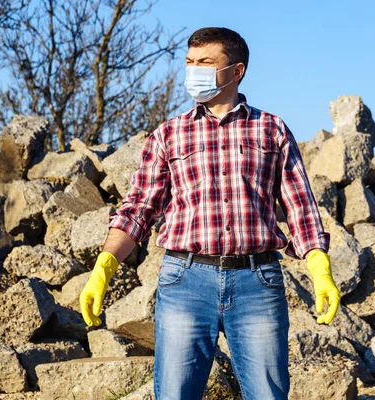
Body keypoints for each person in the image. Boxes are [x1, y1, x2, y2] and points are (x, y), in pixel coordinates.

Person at [79, 27, 341, 400]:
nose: (194, 71)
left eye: (205, 63)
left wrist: (319, 268)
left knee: (268, 395)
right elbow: (139, 208)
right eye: (189, 63)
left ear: (237, 71)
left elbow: (300, 206)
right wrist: (104, 267)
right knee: (175, 394)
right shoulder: (168, 135)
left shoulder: (271, 130)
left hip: (258, 280)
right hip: (185, 280)